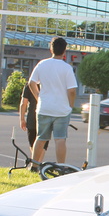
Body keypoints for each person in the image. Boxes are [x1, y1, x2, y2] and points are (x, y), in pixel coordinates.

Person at [28, 37, 78, 167]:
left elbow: (31, 83)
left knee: (41, 138)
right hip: (61, 109)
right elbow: (72, 91)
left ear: (51, 49)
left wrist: (38, 97)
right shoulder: (67, 68)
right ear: (64, 51)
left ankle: (34, 165)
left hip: (44, 107)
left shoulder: (42, 64)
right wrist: (70, 105)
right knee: (60, 139)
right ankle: (61, 166)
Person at [18, 81, 38, 147]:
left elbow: (23, 103)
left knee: (32, 142)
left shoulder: (29, 85)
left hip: (32, 118)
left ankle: (34, 157)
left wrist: (22, 119)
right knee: (43, 143)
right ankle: (39, 157)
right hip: (45, 117)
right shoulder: (48, 85)